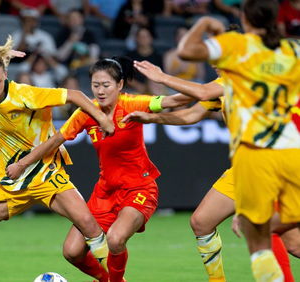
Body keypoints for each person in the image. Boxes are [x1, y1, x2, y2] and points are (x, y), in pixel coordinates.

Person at [0, 36, 116, 281]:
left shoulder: (25, 95)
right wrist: (1, 55)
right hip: (10, 182)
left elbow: (76, 95)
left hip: (46, 173)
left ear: (5, 76)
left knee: (88, 225)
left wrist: (103, 119)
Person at [6, 57, 190, 282]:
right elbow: (55, 140)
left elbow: (176, 101)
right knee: (72, 251)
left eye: (106, 85)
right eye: (96, 85)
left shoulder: (133, 103)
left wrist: (199, 89)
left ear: (120, 85)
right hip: (105, 193)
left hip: (139, 188)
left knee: (115, 239)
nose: (100, 91)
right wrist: (22, 164)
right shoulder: (87, 112)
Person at [123, 59, 300, 282]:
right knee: (202, 221)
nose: (215, 64)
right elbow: (191, 115)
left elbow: (203, 92)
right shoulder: (222, 85)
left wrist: (162, 77)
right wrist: (151, 118)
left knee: (280, 236)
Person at [174, 1, 300, 280]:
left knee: (262, 229)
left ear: (244, 19)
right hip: (261, 160)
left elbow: (202, 88)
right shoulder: (289, 51)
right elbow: (190, 110)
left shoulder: (241, 62)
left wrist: (205, 23)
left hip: (267, 157)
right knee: (206, 221)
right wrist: (153, 111)